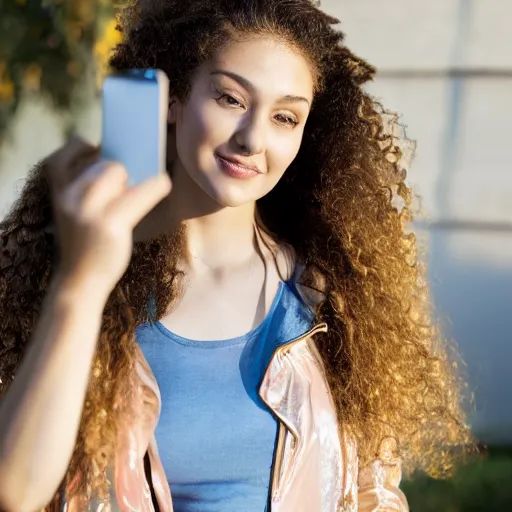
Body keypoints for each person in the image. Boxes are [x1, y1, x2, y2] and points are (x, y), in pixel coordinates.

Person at [0, 0, 474, 511]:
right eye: (230, 98)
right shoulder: (77, 276)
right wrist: (81, 284)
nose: (252, 138)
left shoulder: (327, 298)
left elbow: (373, 497)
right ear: (173, 97)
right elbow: (16, 491)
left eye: (285, 117)